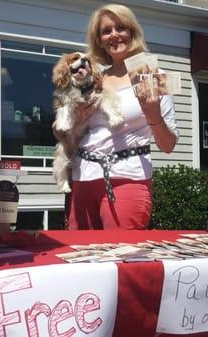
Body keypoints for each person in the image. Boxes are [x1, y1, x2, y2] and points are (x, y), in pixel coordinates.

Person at [65, 3, 178, 230]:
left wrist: (153, 114)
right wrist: (73, 120)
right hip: (83, 178)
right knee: (78, 257)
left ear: (132, 32)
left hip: (127, 179)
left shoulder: (156, 75)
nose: (114, 35)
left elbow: (169, 145)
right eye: (106, 31)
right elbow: (62, 132)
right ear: (99, 40)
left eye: (120, 28)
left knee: (119, 255)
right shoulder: (92, 81)